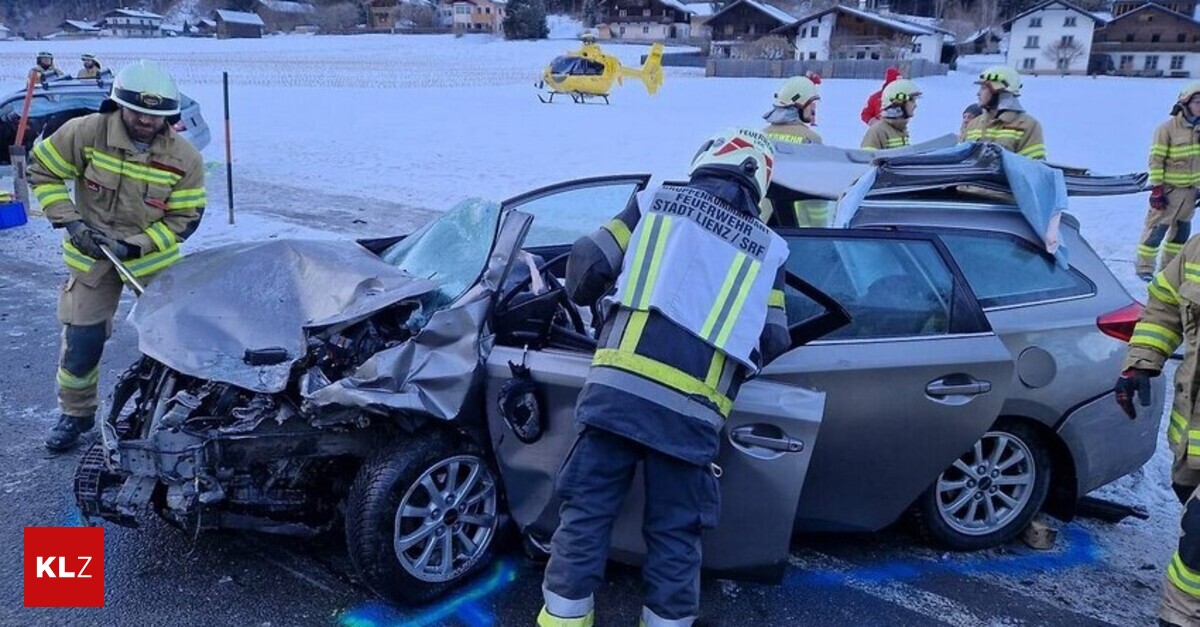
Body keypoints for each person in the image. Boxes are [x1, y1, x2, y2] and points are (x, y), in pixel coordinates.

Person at [537, 127, 791, 627]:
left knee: (586, 514)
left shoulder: (654, 201)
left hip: (617, 393)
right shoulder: (772, 250)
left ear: (706, 159)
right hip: (693, 414)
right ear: (758, 181)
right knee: (676, 534)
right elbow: (776, 338)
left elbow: (586, 265)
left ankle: (564, 619)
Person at [30, 60, 207, 452]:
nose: (145, 121)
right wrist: (72, 223)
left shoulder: (184, 158)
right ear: (118, 105)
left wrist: (136, 244)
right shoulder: (85, 132)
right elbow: (41, 171)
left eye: (155, 115)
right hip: (91, 260)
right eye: (137, 112)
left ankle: (177, 412)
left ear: (169, 116)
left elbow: (187, 218)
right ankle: (75, 416)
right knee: (82, 341)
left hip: (152, 264)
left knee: (177, 340)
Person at [1117, 230, 1200, 627]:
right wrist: (1142, 361)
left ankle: (1178, 619)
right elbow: (1165, 303)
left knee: (1198, 535)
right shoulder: (1198, 249)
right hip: (1192, 442)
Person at [1134, 81, 1200, 282]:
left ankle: (1169, 269)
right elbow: (1156, 160)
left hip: (1190, 193)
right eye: (1197, 101)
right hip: (1168, 191)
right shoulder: (1167, 129)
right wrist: (1156, 189)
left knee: (1180, 234)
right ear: (1185, 103)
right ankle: (1144, 268)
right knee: (1156, 231)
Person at [761, 76, 827, 227]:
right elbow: (817, 190)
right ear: (799, 105)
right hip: (798, 225)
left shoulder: (763, 134)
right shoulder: (811, 139)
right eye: (811, 103)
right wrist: (820, 229)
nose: (814, 109)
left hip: (763, 220)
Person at [962, 65, 1046, 160]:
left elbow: (1034, 168)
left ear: (1000, 92)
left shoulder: (1028, 126)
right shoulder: (974, 124)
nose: (978, 93)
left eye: (984, 88)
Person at [861, 79, 921, 151]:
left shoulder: (900, 130)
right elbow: (867, 160)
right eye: (911, 100)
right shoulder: (878, 131)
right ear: (898, 102)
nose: (915, 105)